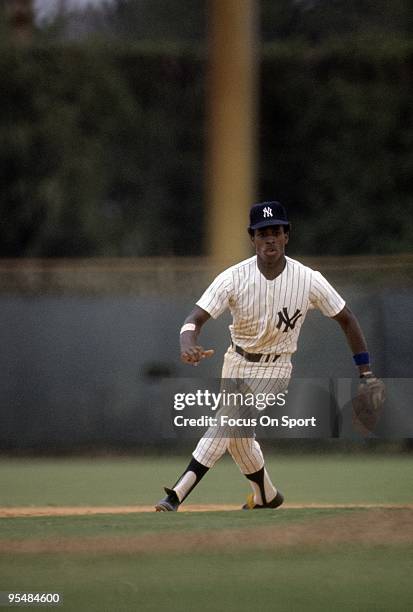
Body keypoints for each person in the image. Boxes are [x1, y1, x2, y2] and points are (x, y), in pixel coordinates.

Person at [155, 201, 377, 511]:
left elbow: (348, 319)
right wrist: (186, 342)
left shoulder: (308, 279)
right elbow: (194, 318)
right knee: (239, 438)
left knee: (228, 422)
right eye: (262, 234)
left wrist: (364, 373)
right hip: (235, 362)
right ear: (252, 238)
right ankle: (267, 496)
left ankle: (177, 493)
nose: (269, 239)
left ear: (286, 235)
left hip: (275, 367)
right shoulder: (233, 277)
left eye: (275, 232)